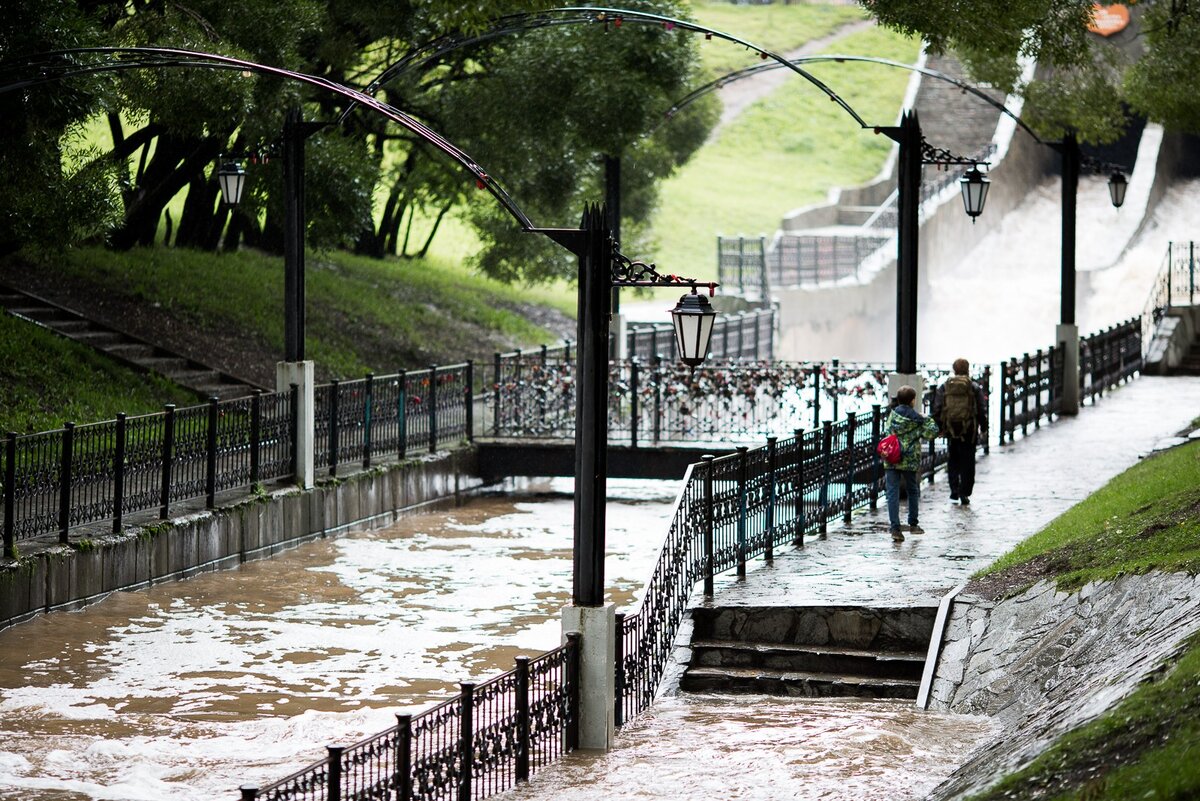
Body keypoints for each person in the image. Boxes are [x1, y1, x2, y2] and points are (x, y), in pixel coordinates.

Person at [883, 385, 938, 542]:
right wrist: (926, 418)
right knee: (912, 490)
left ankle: (895, 528)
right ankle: (913, 524)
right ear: (913, 401)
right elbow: (932, 432)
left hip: (892, 458)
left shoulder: (892, 416)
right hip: (910, 460)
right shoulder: (917, 418)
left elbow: (887, 433)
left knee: (892, 493)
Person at [931, 358, 989, 505]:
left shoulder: (945, 386)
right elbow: (981, 409)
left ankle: (954, 490)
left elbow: (937, 409)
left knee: (953, 458)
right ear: (968, 369)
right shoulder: (973, 387)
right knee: (968, 460)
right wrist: (984, 426)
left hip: (951, 428)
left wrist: (939, 427)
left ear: (954, 370)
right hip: (969, 429)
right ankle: (965, 492)